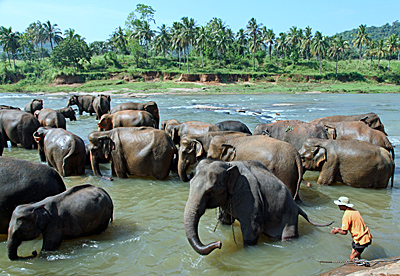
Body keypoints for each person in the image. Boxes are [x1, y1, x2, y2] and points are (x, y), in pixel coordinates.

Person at [331, 196, 372, 261]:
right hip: (363, 237)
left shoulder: (346, 215)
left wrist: (337, 231)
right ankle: (359, 265)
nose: (338, 206)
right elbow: (348, 227)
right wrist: (339, 229)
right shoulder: (355, 211)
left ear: (344, 206)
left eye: (340, 205)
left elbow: (344, 232)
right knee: (355, 256)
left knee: (352, 258)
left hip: (361, 239)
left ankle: (355, 268)